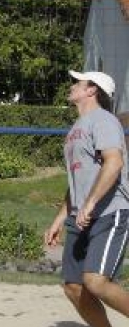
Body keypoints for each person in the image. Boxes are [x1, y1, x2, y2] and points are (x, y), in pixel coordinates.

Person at [44, 70, 129, 326]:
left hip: (109, 212)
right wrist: (59, 219)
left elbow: (113, 163)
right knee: (74, 287)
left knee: (96, 281)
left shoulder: (103, 120)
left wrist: (91, 203)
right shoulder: (75, 130)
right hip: (80, 216)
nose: (71, 86)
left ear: (92, 90)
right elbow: (78, 183)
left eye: (77, 83)